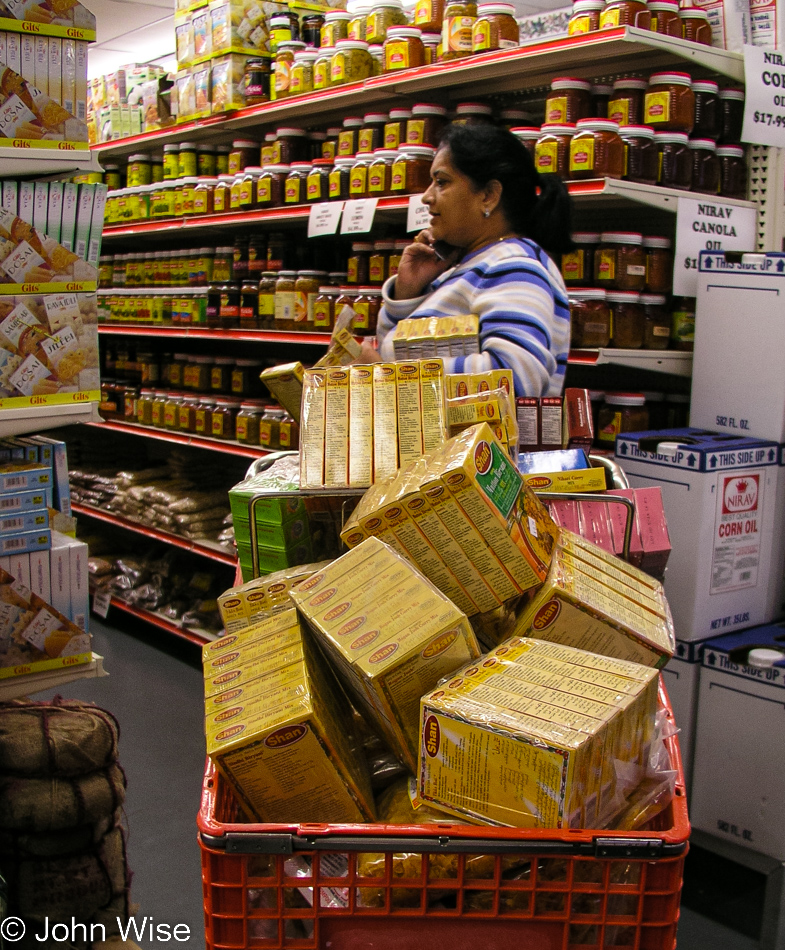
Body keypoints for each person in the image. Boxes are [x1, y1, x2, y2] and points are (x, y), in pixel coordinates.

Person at [376, 123, 573, 397]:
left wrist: (386, 375)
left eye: (442, 182)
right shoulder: (473, 265)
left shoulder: (514, 266)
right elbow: (393, 349)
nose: (426, 196)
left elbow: (515, 380)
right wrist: (408, 292)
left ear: (488, 195)